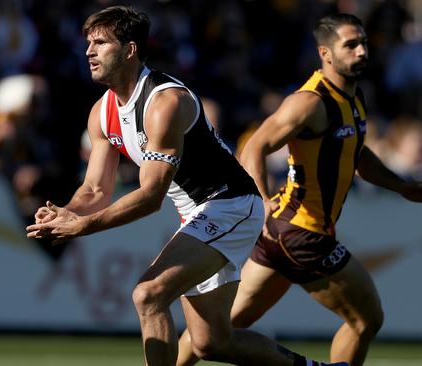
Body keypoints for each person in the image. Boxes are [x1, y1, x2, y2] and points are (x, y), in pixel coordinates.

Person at [26, 6, 347, 366]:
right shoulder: (101, 113)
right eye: (88, 42)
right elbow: (95, 191)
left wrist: (82, 226)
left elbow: (150, 197)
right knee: (212, 343)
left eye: (101, 42)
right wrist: (66, 213)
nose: (89, 51)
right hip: (199, 213)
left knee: (148, 294)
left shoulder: (165, 102)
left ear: (130, 50)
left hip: (231, 205)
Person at [176, 13, 422, 366]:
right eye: (350, 45)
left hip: (283, 233)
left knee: (220, 330)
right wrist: (260, 200)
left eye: (363, 42)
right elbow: (254, 147)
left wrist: (402, 187)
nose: (362, 51)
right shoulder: (310, 102)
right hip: (301, 234)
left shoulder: (353, 97)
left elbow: (358, 156)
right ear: (326, 53)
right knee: (366, 318)